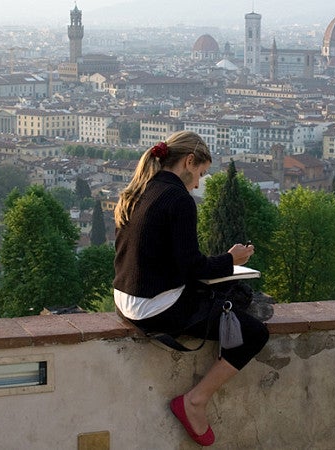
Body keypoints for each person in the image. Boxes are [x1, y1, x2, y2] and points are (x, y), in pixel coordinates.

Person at [113, 130, 269, 446]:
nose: (198, 183)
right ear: (188, 162)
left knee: (226, 302)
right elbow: (192, 267)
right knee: (254, 332)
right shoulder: (178, 200)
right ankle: (195, 401)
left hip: (124, 299)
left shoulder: (139, 189)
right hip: (155, 308)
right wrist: (230, 259)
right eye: (200, 173)